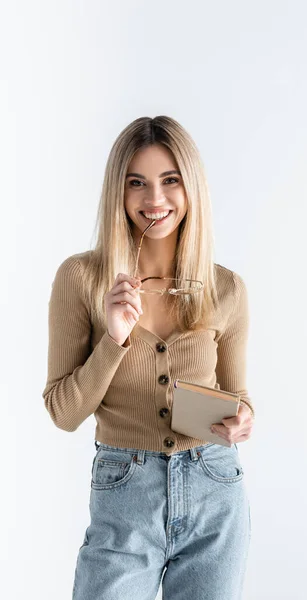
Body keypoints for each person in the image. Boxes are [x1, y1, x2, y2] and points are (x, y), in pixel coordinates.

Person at [42, 115, 255, 600]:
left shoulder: (226, 289)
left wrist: (243, 418)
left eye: (170, 180)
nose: (154, 199)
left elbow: (239, 397)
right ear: (118, 191)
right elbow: (63, 412)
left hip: (214, 486)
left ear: (190, 187)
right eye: (137, 182)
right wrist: (114, 339)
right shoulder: (81, 279)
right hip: (125, 493)